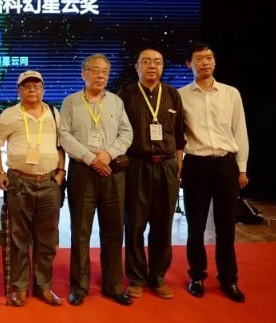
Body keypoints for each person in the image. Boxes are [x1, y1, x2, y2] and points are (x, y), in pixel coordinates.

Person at [59, 53, 133, 306]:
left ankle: (113, 285)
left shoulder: (115, 101)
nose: (101, 75)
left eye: (105, 71)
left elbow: (127, 133)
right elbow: (64, 135)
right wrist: (91, 158)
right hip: (83, 172)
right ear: (84, 74)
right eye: (96, 70)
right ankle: (79, 286)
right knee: (80, 231)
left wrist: (108, 155)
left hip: (112, 171)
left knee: (113, 230)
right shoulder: (70, 102)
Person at [179, 42, 249, 303]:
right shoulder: (180, 95)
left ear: (215, 62)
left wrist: (242, 167)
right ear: (189, 64)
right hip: (195, 165)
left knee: (226, 226)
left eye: (209, 57)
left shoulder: (231, 93)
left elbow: (240, 131)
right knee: (195, 227)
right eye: (199, 58)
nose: (205, 62)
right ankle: (197, 276)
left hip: (225, 165)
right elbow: (178, 136)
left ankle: (229, 279)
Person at [0, 70, 65, 307]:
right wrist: (0, 173)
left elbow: (60, 146)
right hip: (19, 182)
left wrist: (61, 172)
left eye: (36, 86)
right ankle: (20, 288)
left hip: (49, 183)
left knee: (47, 239)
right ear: (19, 90)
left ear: (43, 89)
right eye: (27, 86)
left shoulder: (54, 112)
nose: (32, 90)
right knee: (19, 238)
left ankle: (44, 286)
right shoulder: (9, 114)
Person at [118, 48, 185, 300]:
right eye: (146, 62)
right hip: (137, 165)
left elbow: (179, 134)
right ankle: (136, 277)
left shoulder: (172, 95)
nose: (152, 66)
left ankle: (158, 276)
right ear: (137, 66)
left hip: (167, 165)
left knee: (162, 225)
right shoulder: (125, 95)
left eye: (157, 62)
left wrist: (178, 164)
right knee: (135, 224)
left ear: (162, 66)